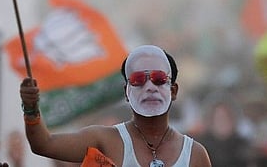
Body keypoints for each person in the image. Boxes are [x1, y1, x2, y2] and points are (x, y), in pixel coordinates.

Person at [19, 45, 212, 166]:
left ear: (173, 90)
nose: (150, 87)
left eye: (159, 79)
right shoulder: (105, 141)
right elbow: (44, 144)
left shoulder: (194, 155)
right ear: (126, 92)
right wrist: (31, 108)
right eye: (138, 80)